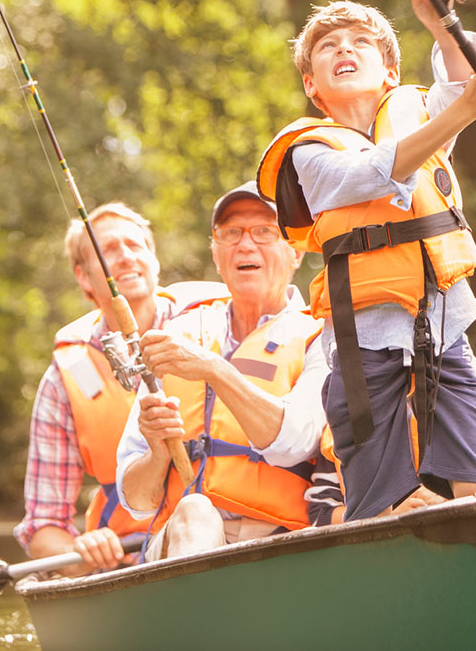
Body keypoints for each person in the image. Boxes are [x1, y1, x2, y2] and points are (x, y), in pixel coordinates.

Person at [255, 0, 476, 522]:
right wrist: (464, 111)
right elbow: (369, 173)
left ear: (390, 70)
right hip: (359, 341)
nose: (343, 49)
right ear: (311, 83)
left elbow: (460, 81)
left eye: (360, 43)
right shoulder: (307, 151)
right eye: (327, 47)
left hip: (444, 323)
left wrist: (440, 21)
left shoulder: (418, 111)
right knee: (377, 504)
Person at [115, 182, 339, 560]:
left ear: (294, 251)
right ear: (216, 253)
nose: (246, 245)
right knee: (196, 511)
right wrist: (157, 453)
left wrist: (214, 369)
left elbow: (293, 444)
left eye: (265, 231)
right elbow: (136, 501)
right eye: (231, 233)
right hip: (181, 536)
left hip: (283, 543)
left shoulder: (319, 337)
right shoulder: (178, 335)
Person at [15, 203, 227, 577]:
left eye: (135, 245)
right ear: (83, 277)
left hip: (229, 529)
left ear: (154, 260)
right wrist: (80, 549)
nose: (126, 256)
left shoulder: (216, 323)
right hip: (130, 562)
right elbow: (42, 527)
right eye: (108, 250)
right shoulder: (67, 376)